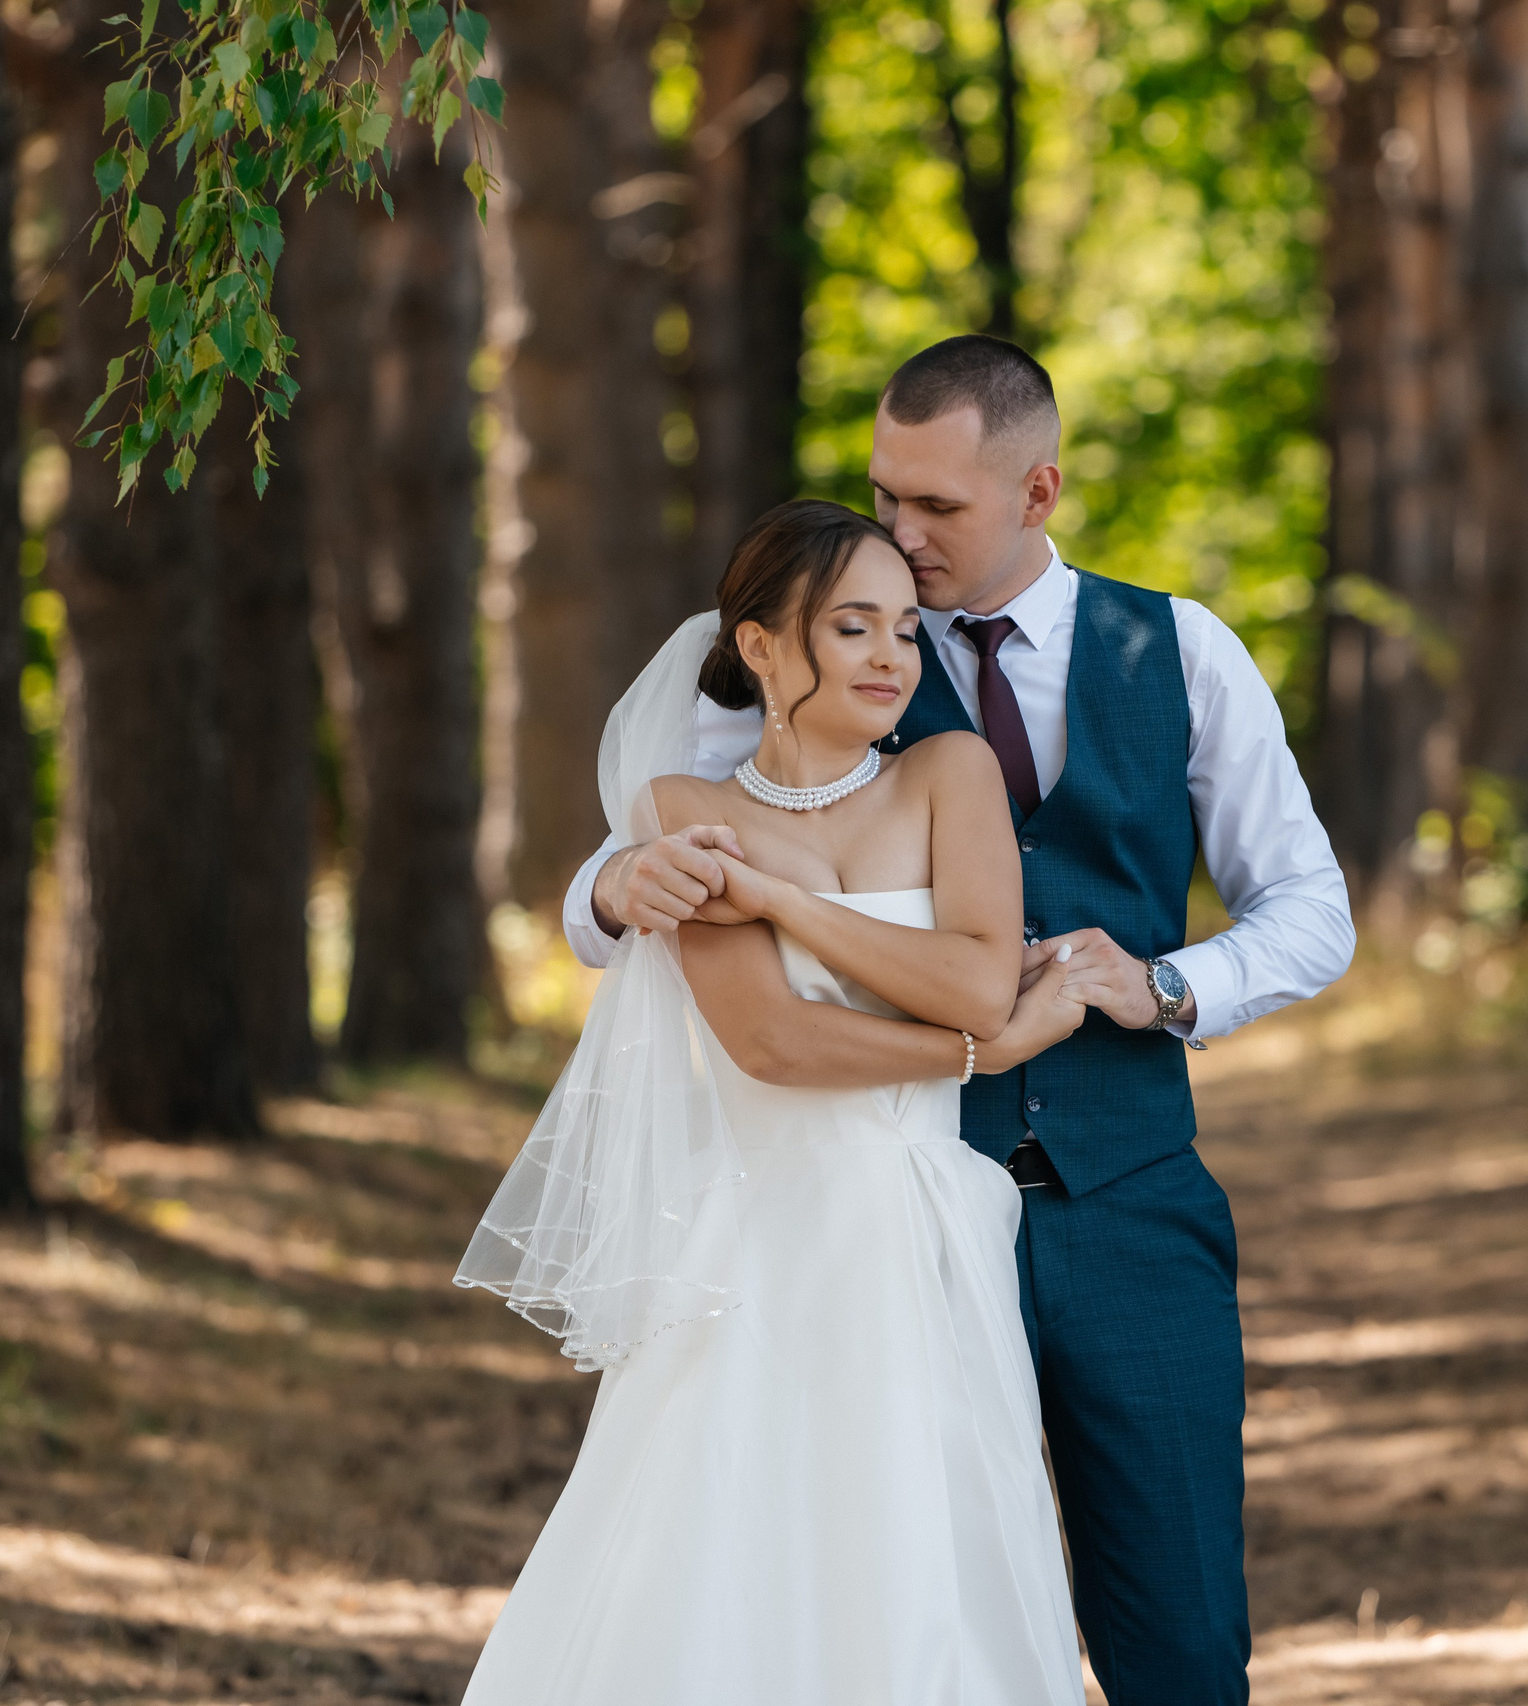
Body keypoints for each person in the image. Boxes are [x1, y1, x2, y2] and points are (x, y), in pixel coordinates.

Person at [562, 335, 1355, 1704]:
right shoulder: (822, 645)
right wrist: (613, 888)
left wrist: (1167, 985)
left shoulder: (1177, 651)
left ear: (1038, 491)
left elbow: (1310, 907)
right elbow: (657, 832)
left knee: (1180, 1640)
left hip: (1130, 1205)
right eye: (886, 495)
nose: (902, 533)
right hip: (890, 1228)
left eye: (937, 505)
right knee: (904, 1627)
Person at [458, 500, 1090, 1703]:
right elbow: (772, 1043)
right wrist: (980, 1053)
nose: (891, 656)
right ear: (758, 645)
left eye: (904, 628)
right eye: (852, 627)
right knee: (729, 1551)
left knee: (924, 1547)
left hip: (926, 1230)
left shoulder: (950, 773)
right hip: (756, 1244)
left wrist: (788, 903)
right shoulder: (684, 815)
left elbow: (973, 976)